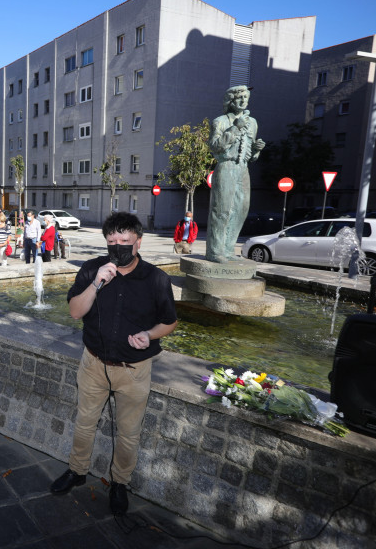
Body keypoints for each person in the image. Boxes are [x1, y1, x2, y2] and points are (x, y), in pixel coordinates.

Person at [50, 212, 177, 516]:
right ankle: (77, 471)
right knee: (84, 423)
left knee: (129, 433)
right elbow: (75, 312)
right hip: (93, 364)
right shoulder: (92, 269)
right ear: (106, 242)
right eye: (112, 241)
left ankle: (120, 483)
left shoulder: (157, 279)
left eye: (125, 241)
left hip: (134, 371)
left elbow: (169, 322)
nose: (119, 246)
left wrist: (149, 334)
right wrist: (96, 283)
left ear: (138, 241)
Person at [206, 85, 265, 263]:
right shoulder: (221, 121)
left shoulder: (253, 122)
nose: (243, 101)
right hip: (226, 166)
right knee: (222, 210)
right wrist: (234, 128)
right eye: (239, 98)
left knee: (241, 210)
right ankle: (215, 251)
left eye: (245, 98)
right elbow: (215, 146)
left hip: (243, 168)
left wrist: (257, 150)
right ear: (230, 101)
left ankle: (229, 249)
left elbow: (251, 155)